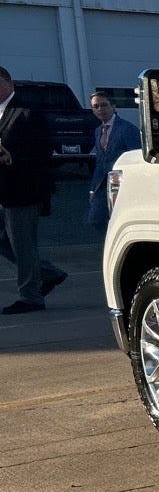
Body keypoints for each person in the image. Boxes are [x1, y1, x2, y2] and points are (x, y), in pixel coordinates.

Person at [0, 65, 67, 314]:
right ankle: (48, 273)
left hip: (24, 191)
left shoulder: (27, 111)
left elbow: (43, 150)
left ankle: (30, 297)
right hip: (5, 191)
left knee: (22, 245)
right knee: (5, 240)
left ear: (9, 82)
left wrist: (12, 158)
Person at [85, 91, 138, 231]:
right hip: (103, 185)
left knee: (120, 222)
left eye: (104, 105)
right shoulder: (98, 131)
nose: (100, 109)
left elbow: (136, 156)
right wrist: (93, 189)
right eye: (96, 106)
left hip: (123, 184)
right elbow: (99, 162)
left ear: (113, 107)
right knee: (95, 219)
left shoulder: (127, 129)